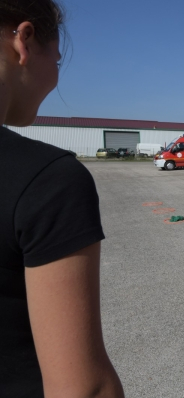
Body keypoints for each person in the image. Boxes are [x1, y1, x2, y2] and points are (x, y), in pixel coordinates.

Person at [0, 1, 124, 396]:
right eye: (56, 59)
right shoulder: (48, 181)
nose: (55, 74)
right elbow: (83, 388)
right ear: (24, 40)